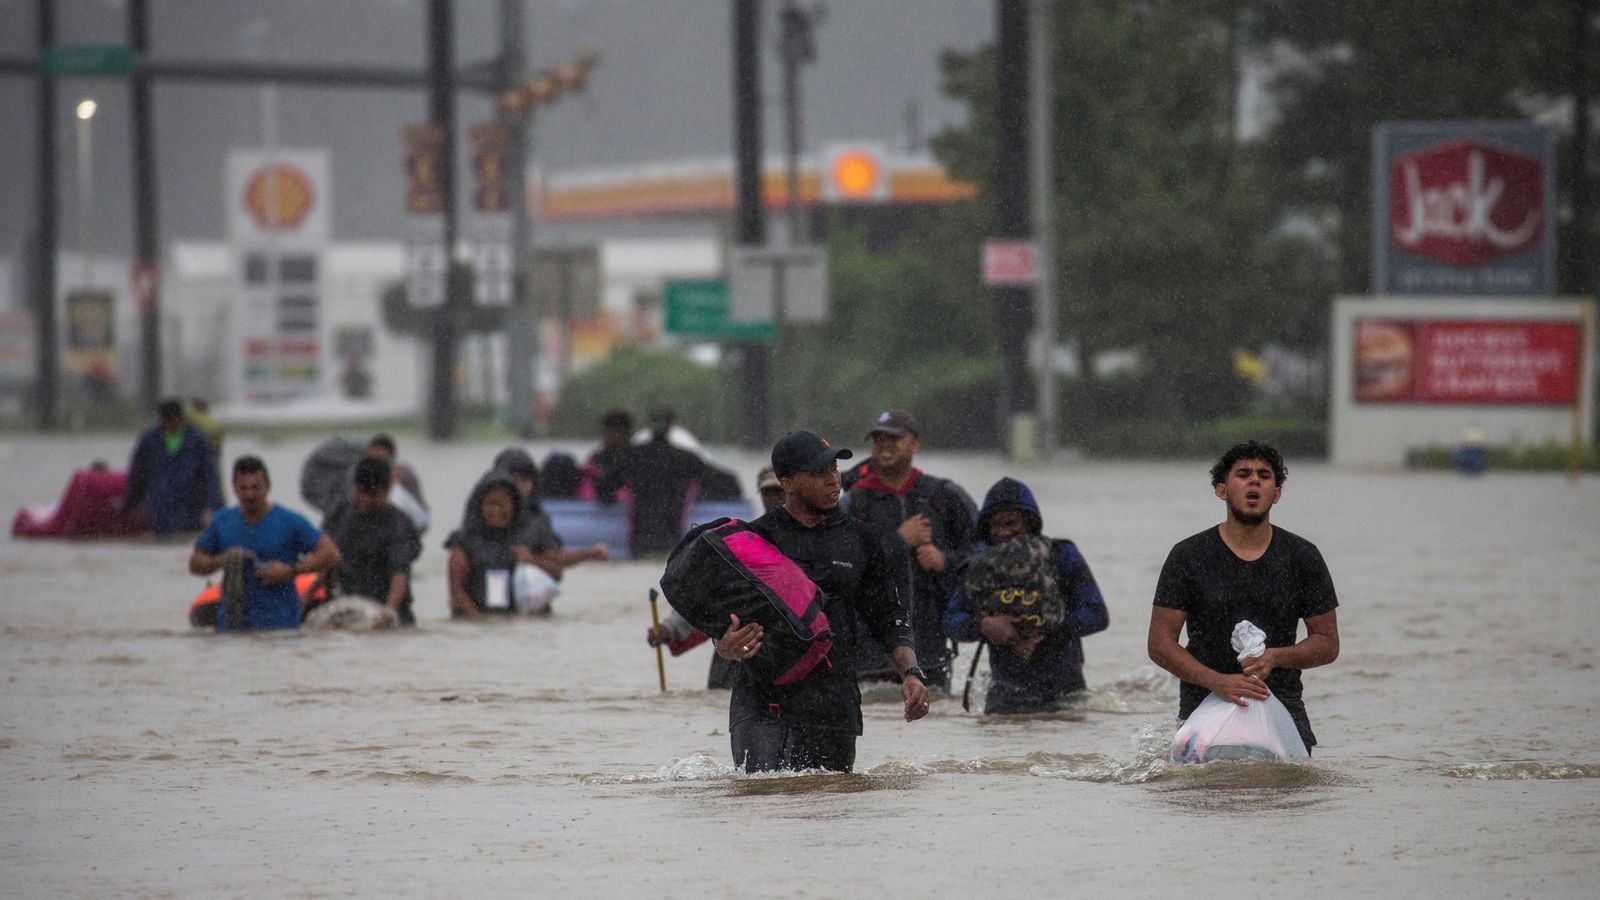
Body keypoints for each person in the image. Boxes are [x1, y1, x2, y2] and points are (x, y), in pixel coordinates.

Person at [707, 430, 930, 772]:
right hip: (763, 706)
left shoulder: (860, 540)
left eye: (834, 470)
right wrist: (726, 646)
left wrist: (911, 674)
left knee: (832, 808)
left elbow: (888, 616)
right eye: (819, 472)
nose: (832, 480)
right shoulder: (755, 540)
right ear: (788, 483)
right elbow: (723, 624)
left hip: (834, 706)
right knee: (764, 804)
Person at [1147, 440, 1341, 753]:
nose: (1254, 481)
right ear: (1221, 490)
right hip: (1203, 710)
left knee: (1291, 798)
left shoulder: (1303, 557)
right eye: (1243, 474)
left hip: (1282, 710)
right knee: (1202, 795)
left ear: (1276, 494)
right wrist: (1217, 681)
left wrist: (1276, 657)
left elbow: (1328, 643)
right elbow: (1159, 644)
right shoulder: (1188, 556)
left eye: (1264, 476)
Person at [946, 477, 1110, 714]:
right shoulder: (978, 568)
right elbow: (951, 620)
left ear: (1030, 522)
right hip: (1005, 693)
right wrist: (984, 625)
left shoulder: (1061, 555)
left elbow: (1097, 614)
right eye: (996, 525)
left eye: (1011, 523)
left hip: (1064, 689)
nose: (1003, 532)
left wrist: (1046, 629)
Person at [842, 409, 975, 692]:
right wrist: (900, 540)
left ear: (914, 443)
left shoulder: (945, 496)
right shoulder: (853, 503)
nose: (884, 444)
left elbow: (983, 555)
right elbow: (841, 566)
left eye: (893, 438)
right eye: (877, 438)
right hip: (870, 657)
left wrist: (944, 560)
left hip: (930, 653)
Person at [648, 464, 786, 690]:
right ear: (760, 495)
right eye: (768, 492)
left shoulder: (809, 543)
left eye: (779, 492)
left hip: (783, 653)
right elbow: (706, 595)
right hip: (735, 652)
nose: (774, 499)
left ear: (792, 491)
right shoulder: (741, 541)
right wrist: (669, 630)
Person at [189, 455, 341, 632]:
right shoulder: (222, 521)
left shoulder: (289, 521)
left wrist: (291, 571)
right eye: (243, 488)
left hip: (281, 628)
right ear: (234, 488)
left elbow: (331, 555)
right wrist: (224, 559)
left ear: (268, 487)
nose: (250, 494)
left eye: (256, 488)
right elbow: (195, 564)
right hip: (230, 629)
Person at [484, 448, 609, 583]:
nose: (519, 487)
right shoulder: (476, 524)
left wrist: (531, 561)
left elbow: (556, 568)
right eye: (514, 479)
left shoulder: (536, 522)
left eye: (525, 480)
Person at [319, 457, 419, 626]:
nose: (371, 501)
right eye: (367, 494)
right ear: (355, 486)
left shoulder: (399, 524)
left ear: (388, 490)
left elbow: (400, 573)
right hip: (344, 605)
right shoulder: (339, 516)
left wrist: (390, 611)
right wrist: (307, 598)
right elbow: (325, 562)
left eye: (377, 495)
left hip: (386, 610)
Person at [596, 410, 708, 557]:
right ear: (670, 429)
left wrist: (612, 499)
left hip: (641, 539)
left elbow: (603, 489)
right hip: (672, 539)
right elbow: (723, 484)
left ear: (650, 429)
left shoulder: (633, 456)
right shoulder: (686, 458)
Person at [125, 397, 223, 535]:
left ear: (181, 419)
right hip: (159, 509)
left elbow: (210, 476)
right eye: (167, 422)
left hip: (192, 508)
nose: (171, 426)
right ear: (161, 420)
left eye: (175, 421)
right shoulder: (149, 440)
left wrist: (212, 507)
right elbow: (137, 473)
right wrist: (133, 503)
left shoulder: (197, 440)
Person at [444, 472, 525, 619]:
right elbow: (456, 590)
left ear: (515, 506)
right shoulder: (463, 542)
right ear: (479, 505)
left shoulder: (523, 539)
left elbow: (552, 574)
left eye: (503, 504)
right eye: (491, 503)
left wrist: (531, 561)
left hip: (511, 620)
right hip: (472, 622)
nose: (496, 511)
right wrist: (480, 621)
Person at [580, 409, 634, 502]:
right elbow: (585, 494)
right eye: (608, 431)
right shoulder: (595, 460)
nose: (611, 436)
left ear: (626, 434)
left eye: (616, 431)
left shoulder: (635, 460)